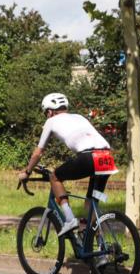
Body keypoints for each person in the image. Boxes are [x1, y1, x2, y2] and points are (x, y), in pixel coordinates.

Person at [17, 93, 118, 236]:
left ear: (50, 111)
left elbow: (38, 153)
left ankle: (70, 219)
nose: (47, 116)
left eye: (46, 113)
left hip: (88, 156)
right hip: (107, 157)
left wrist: (27, 172)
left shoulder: (51, 121)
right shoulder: (80, 117)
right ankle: (100, 246)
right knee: (91, 204)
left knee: (55, 177)